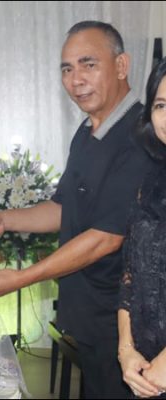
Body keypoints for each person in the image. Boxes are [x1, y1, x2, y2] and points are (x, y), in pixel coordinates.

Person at [0, 21, 155, 398]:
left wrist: (22, 278)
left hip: (126, 323)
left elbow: (106, 238)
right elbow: (64, 208)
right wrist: (4, 220)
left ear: (121, 66)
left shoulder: (141, 137)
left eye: (88, 64)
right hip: (91, 315)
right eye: (67, 68)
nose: (75, 79)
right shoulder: (87, 132)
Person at [117, 57, 166, 399]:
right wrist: (126, 350)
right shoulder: (150, 182)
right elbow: (130, 272)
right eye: (161, 105)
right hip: (146, 366)